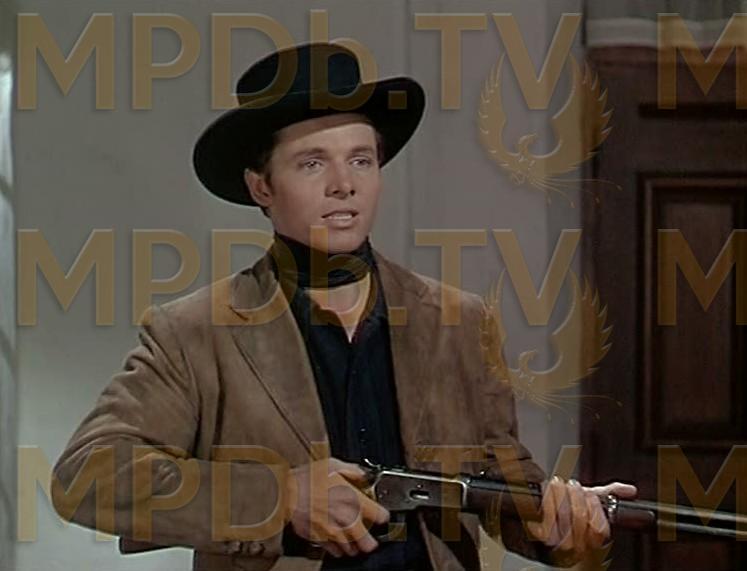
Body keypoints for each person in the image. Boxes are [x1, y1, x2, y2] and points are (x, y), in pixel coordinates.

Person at [51, 42, 636, 571]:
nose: (343, 184)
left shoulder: (458, 322)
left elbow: (500, 487)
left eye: (361, 160)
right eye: (313, 163)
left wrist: (561, 528)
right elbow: (88, 476)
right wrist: (281, 498)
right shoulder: (196, 332)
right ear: (261, 187)